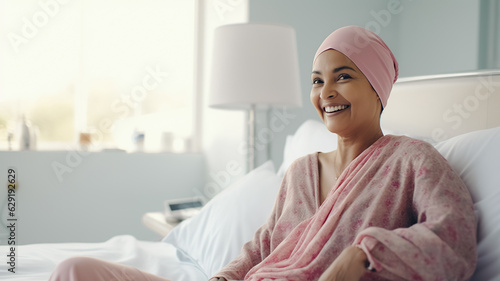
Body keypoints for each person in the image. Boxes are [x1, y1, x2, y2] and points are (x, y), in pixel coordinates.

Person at [49, 25, 477, 281]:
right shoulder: (301, 172)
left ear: (377, 87)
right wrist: (226, 276)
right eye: (316, 80)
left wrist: (363, 253)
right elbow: (261, 246)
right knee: (74, 271)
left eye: (342, 77)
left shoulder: (412, 160)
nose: (325, 92)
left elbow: (453, 241)